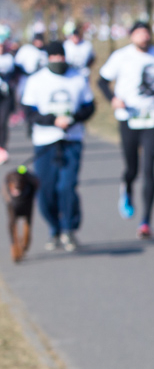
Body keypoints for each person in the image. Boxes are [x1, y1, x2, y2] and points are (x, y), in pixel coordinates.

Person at [98, 20, 154, 237]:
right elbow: (102, 81)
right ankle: (126, 187)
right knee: (132, 168)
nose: (143, 37)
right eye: (139, 33)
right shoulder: (121, 57)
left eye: (146, 33)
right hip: (128, 117)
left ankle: (146, 221)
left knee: (149, 168)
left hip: (152, 117)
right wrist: (113, 99)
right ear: (131, 36)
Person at [19, 41, 94, 252]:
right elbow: (29, 113)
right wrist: (53, 120)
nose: (58, 60)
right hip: (45, 141)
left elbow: (89, 106)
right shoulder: (36, 81)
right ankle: (54, 229)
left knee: (67, 186)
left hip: (72, 139)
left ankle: (69, 229)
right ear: (47, 59)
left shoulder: (78, 78)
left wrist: (73, 118)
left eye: (61, 56)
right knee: (46, 189)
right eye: (54, 57)